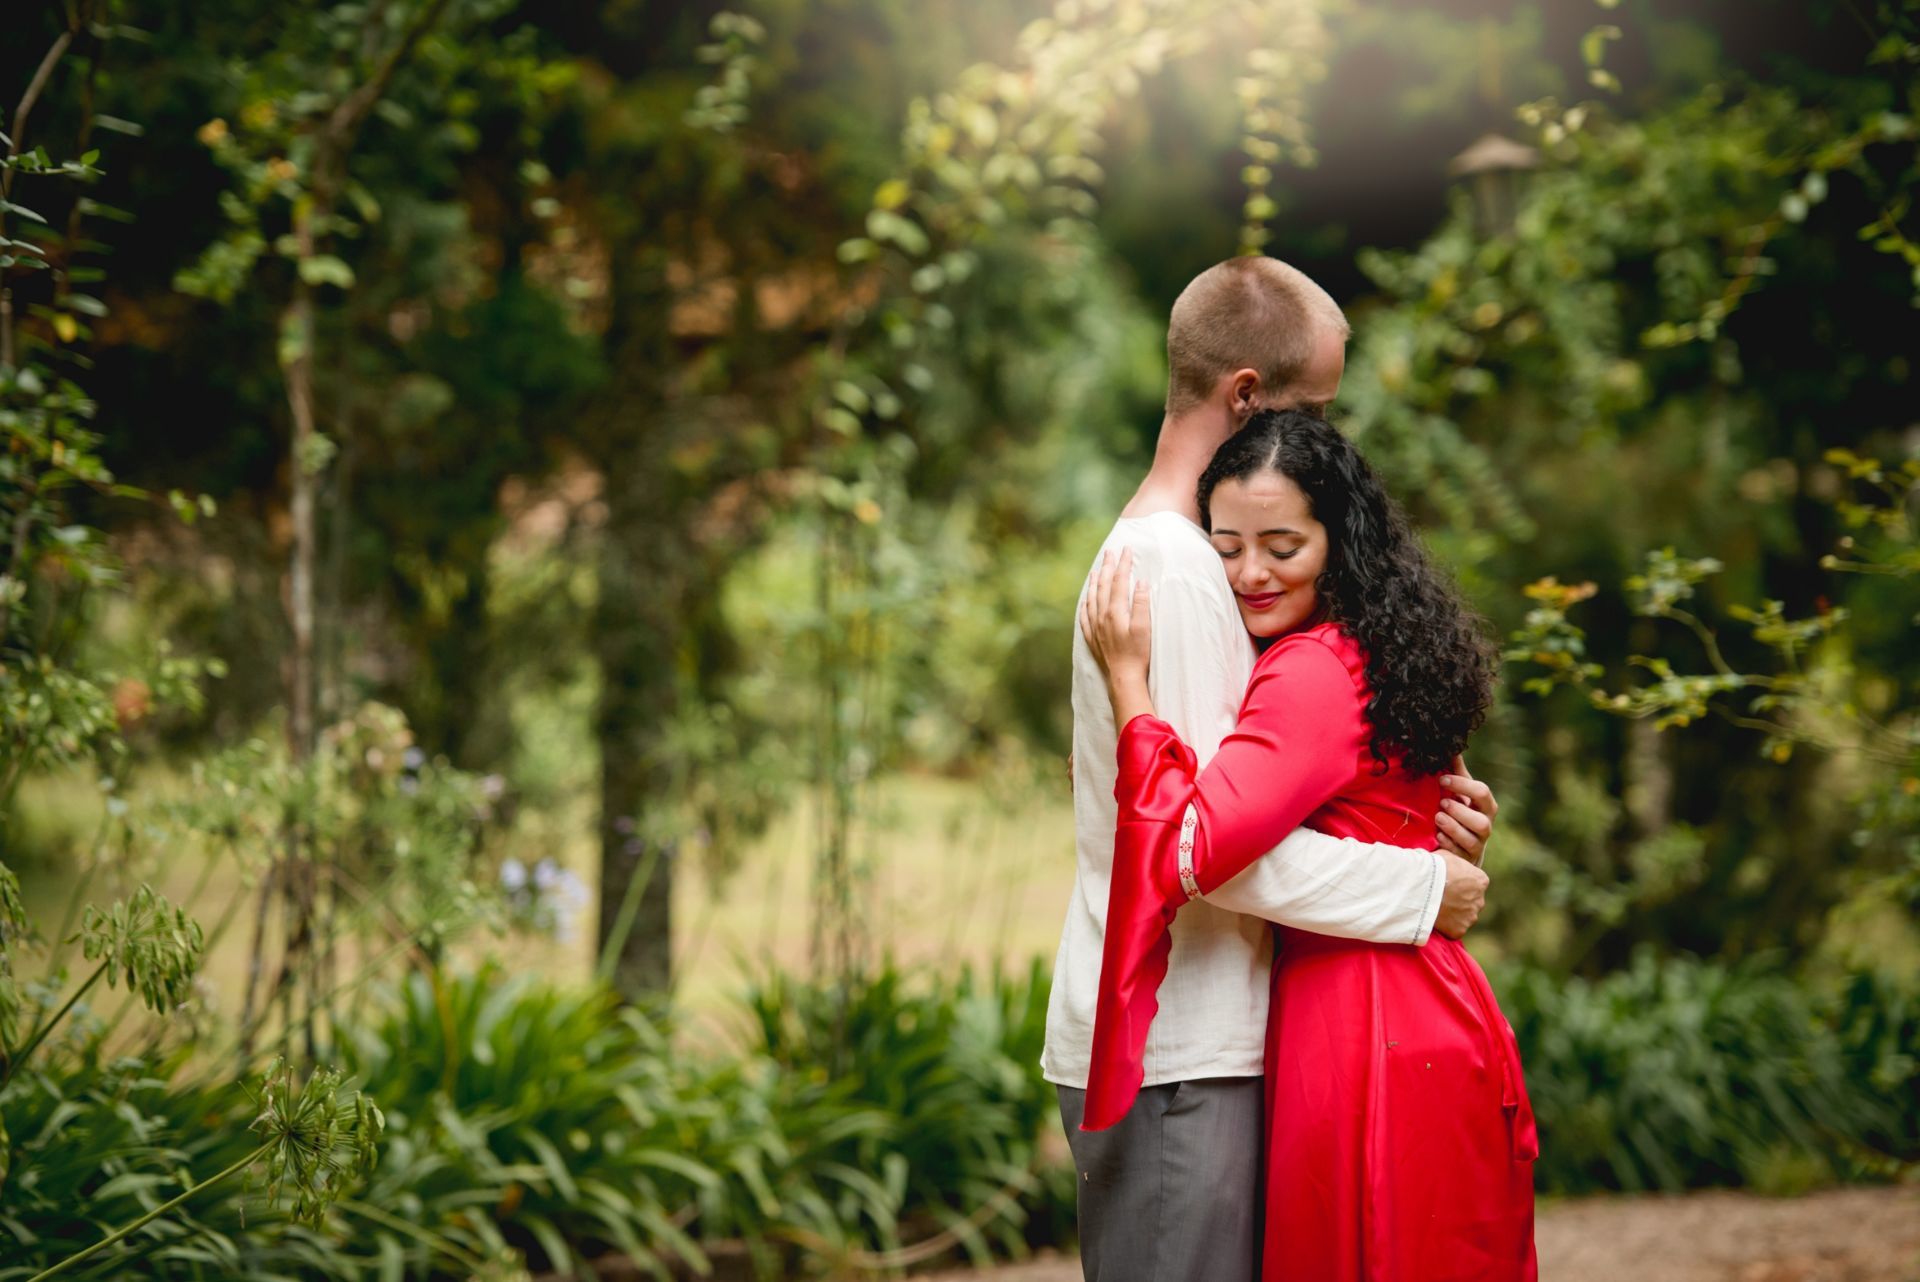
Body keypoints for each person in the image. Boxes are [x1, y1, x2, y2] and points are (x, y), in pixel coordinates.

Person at [1041, 257, 1501, 1282]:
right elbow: (1199, 846)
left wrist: (1413, 820)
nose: (1329, 439)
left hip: (1203, 1037)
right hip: (1175, 1044)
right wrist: (1425, 888)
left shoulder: (1191, 556)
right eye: (1317, 408)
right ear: (1245, 396)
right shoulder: (1179, 570)